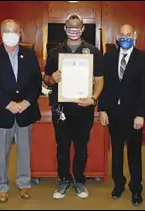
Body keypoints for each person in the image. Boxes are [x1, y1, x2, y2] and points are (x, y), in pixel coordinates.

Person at [43, 13, 104, 199]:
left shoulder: (93, 52)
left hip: (83, 108)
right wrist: (51, 79)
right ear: (65, 28)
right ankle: (64, 179)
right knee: (62, 146)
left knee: (81, 147)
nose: (74, 30)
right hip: (60, 109)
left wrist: (93, 99)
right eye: (70, 26)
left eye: (77, 26)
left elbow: (99, 80)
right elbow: (46, 80)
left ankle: (79, 180)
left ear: (83, 28)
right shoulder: (54, 52)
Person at [0, 19, 42, 203]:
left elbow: (36, 82)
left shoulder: (29, 54)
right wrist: (8, 103)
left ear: (20, 32)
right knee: (1, 153)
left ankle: (24, 184)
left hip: (25, 111)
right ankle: (1, 186)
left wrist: (26, 102)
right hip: (1, 111)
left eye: (14, 30)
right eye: (7, 31)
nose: (10, 34)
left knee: (24, 150)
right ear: (1, 33)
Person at [98, 24, 145, 206]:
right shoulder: (109, 57)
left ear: (134, 35)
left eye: (129, 34)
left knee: (134, 154)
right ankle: (118, 185)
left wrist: (140, 114)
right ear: (117, 37)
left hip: (133, 115)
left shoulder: (144, 59)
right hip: (113, 113)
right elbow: (104, 86)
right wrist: (102, 109)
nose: (126, 37)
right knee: (116, 152)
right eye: (122, 34)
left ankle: (136, 189)